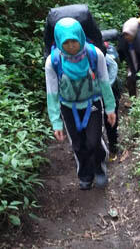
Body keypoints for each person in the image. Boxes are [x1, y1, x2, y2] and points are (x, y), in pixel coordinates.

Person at [45, 17, 117, 190]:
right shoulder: (53, 61)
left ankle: (99, 168)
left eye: (74, 41)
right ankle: (85, 175)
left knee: (93, 141)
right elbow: (52, 93)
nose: (71, 46)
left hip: (92, 103)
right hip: (68, 108)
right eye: (66, 42)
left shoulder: (94, 55)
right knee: (78, 144)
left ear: (81, 37)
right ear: (60, 41)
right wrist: (56, 121)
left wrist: (110, 108)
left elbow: (104, 82)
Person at [103, 42, 121, 160]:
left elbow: (113, 66)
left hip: (111, 88)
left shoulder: (99, 54)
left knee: (110, 118)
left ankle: (113, 147)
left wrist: (106, 87)